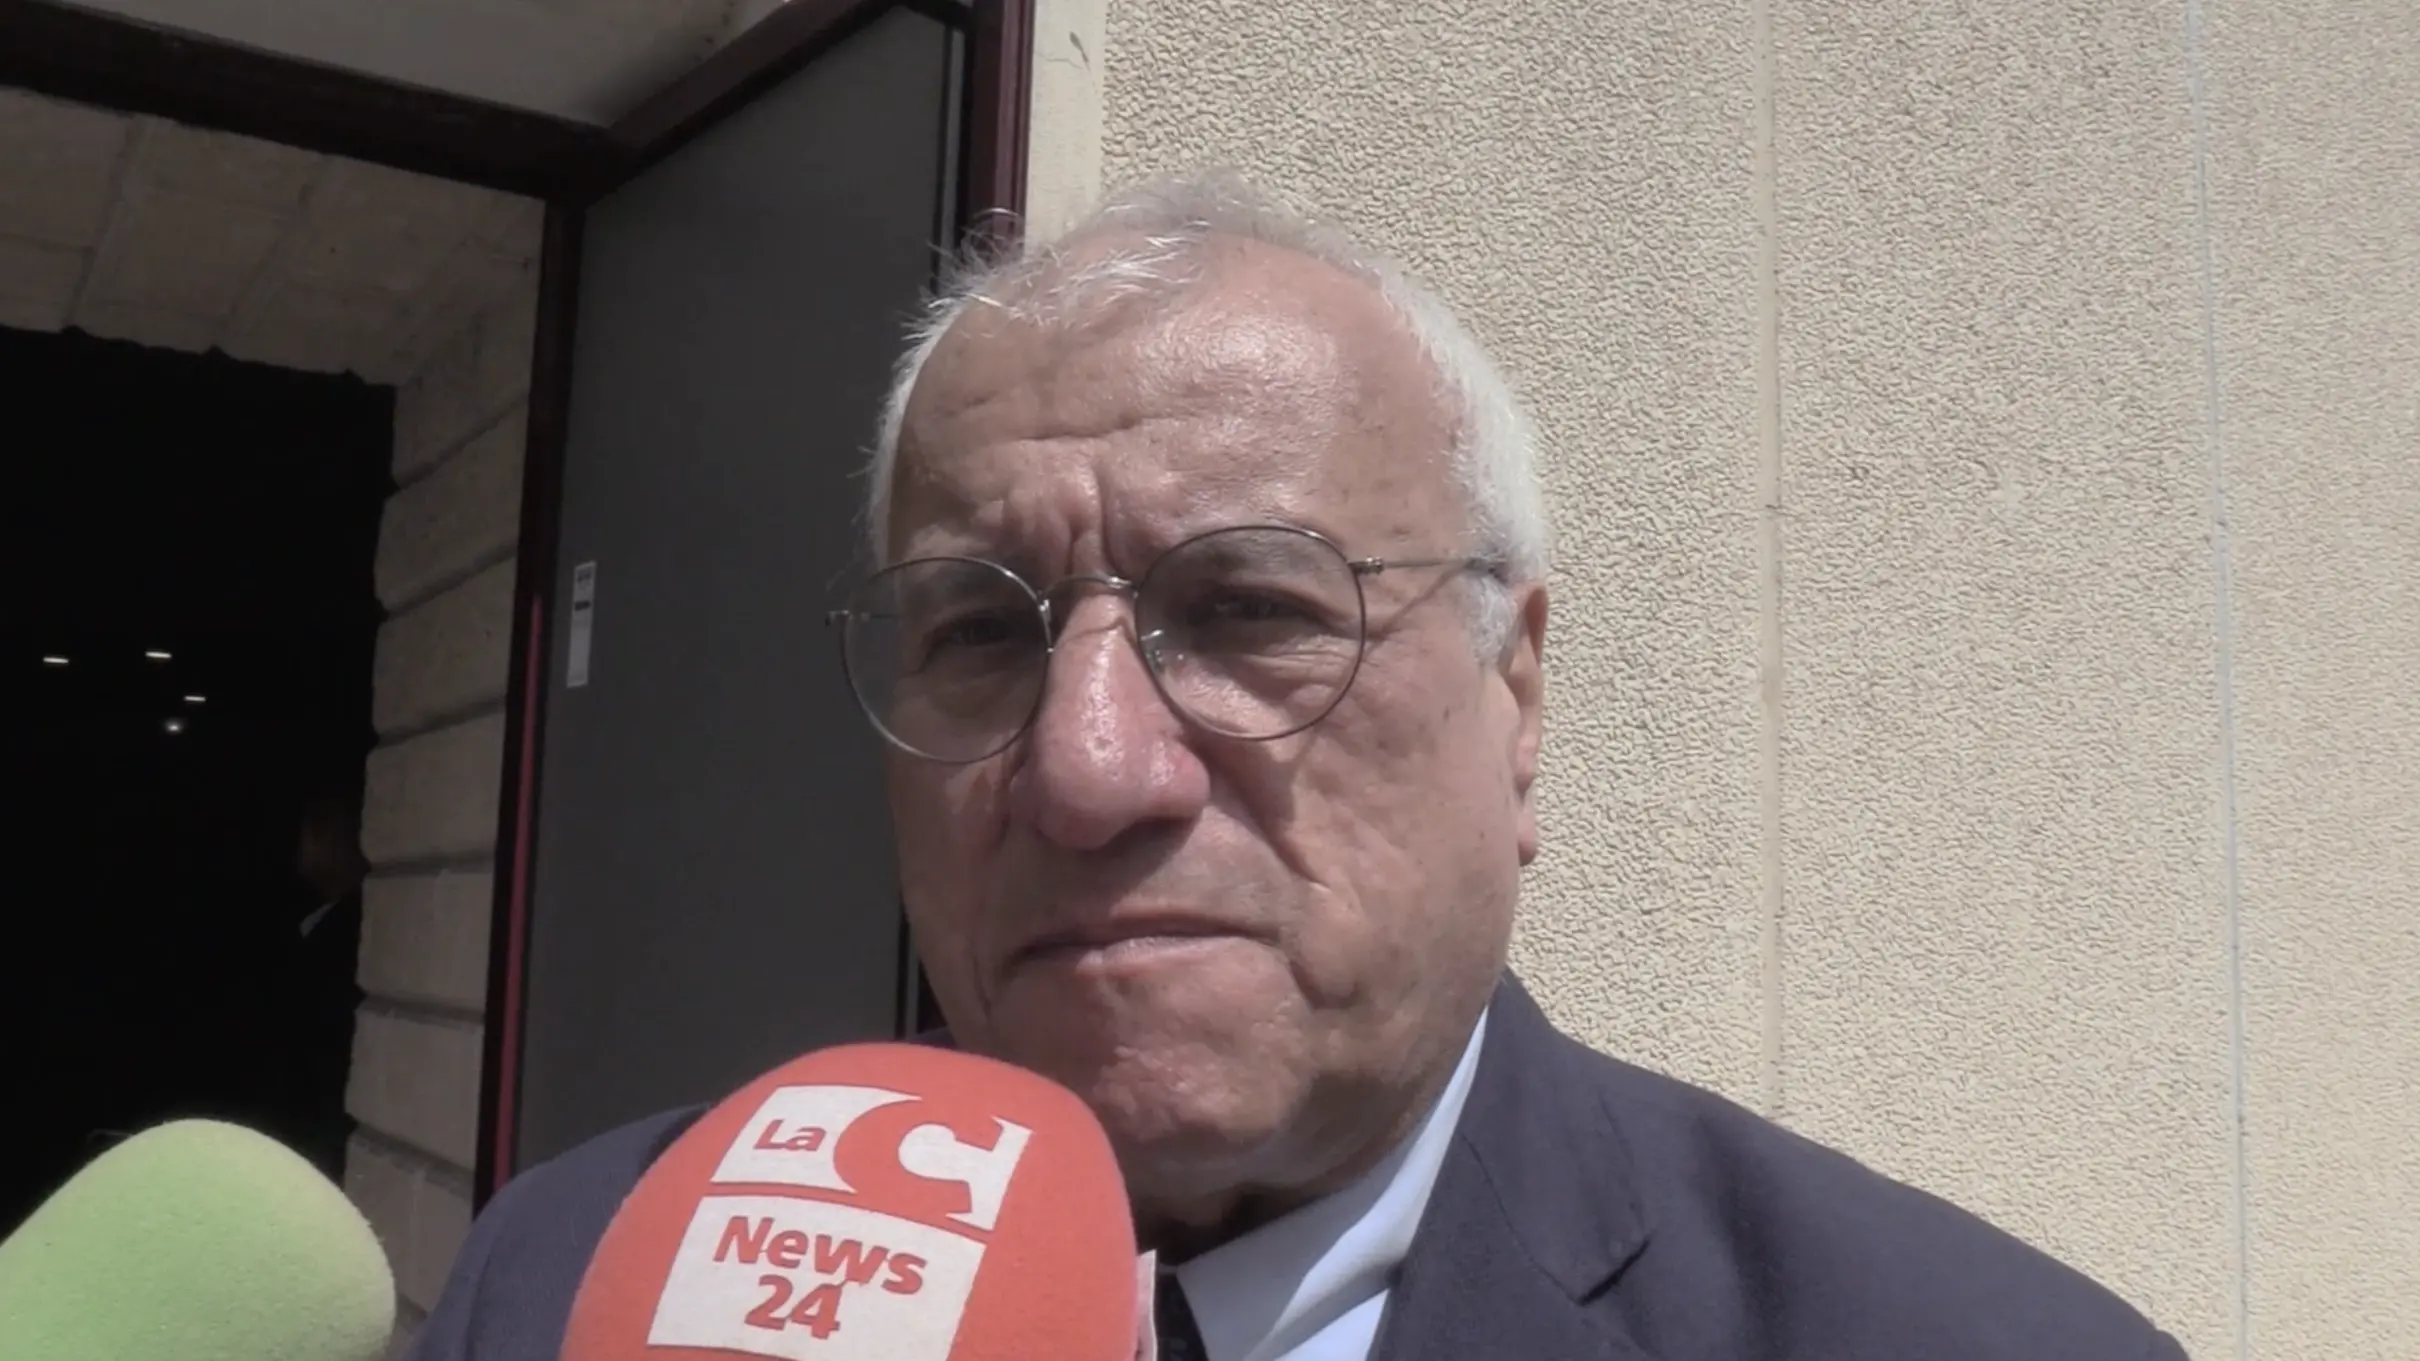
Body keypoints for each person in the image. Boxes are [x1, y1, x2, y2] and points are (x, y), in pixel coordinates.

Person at [409, 170, 2191, 1360]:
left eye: (1250, 610)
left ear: (1517, 696)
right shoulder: (565, 1272)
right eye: (981, 633)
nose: (1088, 770)